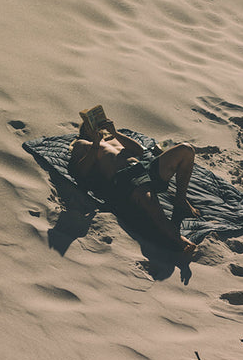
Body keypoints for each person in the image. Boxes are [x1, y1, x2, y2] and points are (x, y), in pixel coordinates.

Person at [69, 109, 200, 260]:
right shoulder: (82, 144)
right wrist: (96, 144)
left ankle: (180, 199)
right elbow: (80, 171)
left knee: (186, 150)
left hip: (145, 167)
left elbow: (138, 151)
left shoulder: (112, 137)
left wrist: (115, 132)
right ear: (84, 130)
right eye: (88, 125)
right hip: (128, 177)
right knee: (151, 204)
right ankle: (180, 241)